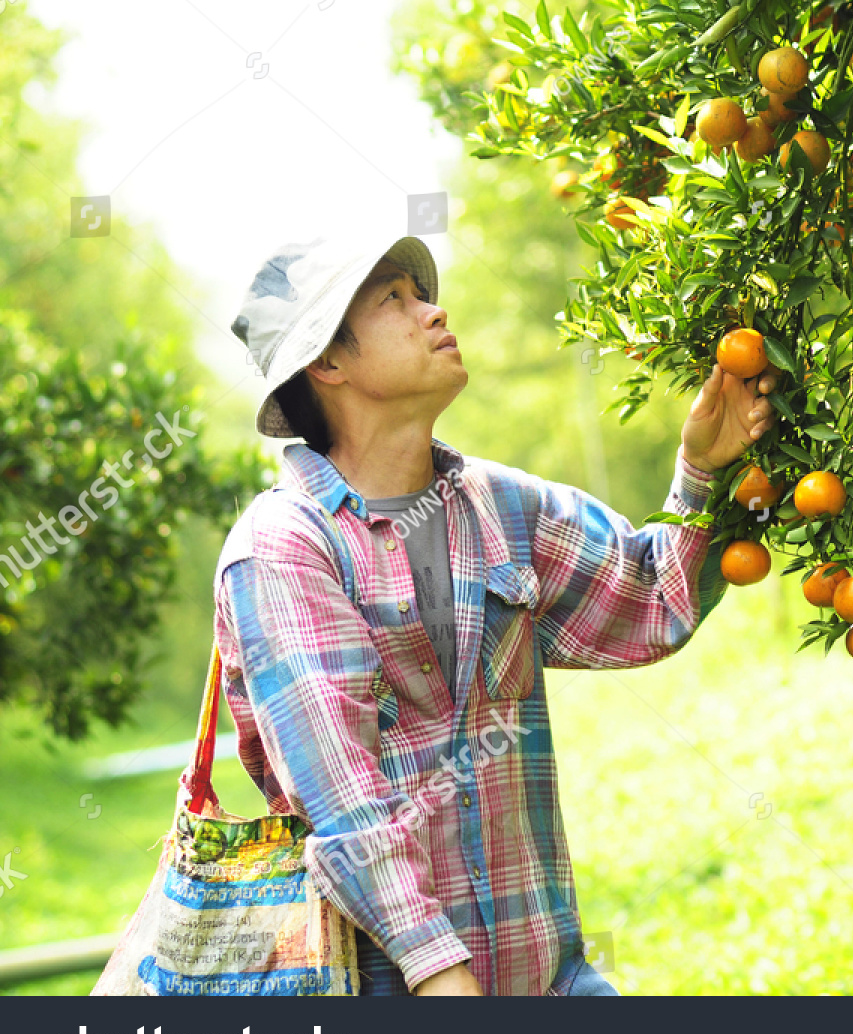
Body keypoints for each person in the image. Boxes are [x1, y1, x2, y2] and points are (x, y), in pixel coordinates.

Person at [216, 232, 780, 995]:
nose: (433, 310)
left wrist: (705, 472)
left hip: (550, 978)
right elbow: (345, 802)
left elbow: (650, 599)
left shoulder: (498, 505)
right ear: (329, 362)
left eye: (421, 294)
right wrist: (437, 972)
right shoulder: (285, 549)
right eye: (394, 301)